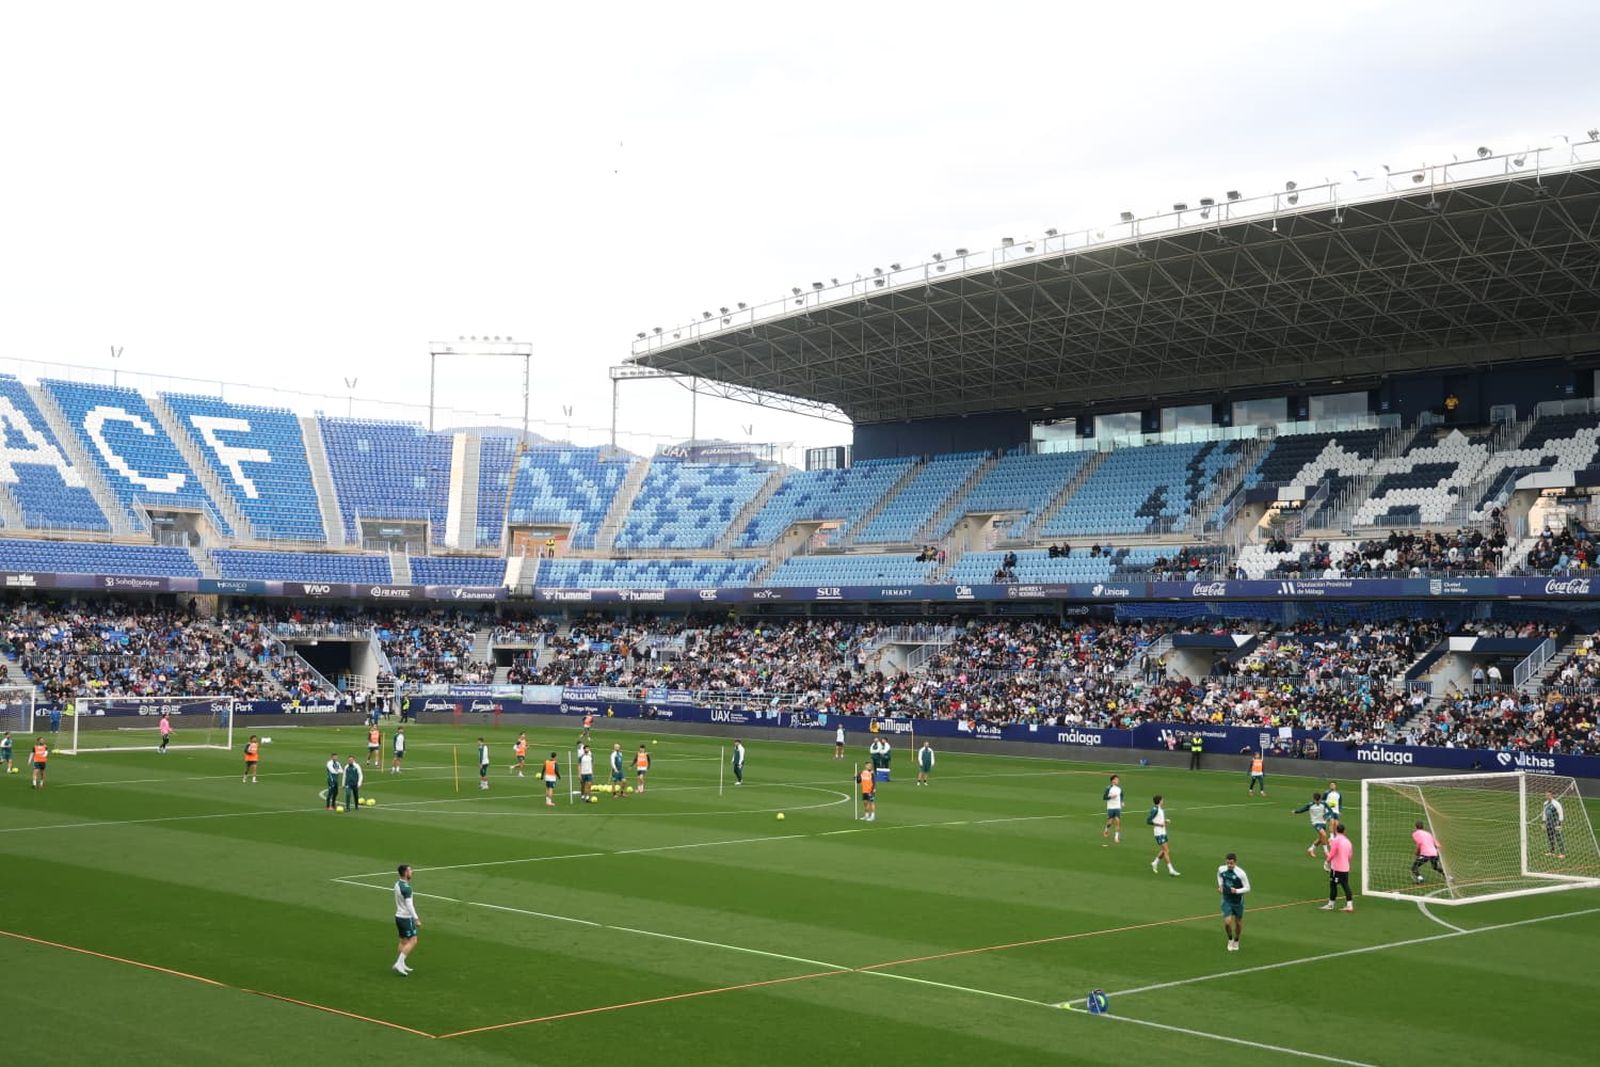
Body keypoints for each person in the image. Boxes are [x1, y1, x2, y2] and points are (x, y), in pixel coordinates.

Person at [1217, 852, 1250, 952]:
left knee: (1238, 923)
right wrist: (1220, 886)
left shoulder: (1241, 874)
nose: (1229, 865)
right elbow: (1219, 875)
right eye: (1228, 863)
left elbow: (1248, 888)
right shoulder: (1221, 869)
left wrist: (1237, 891)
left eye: (1231, 863)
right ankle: (1230, 939)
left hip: (1237, 901)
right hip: (1227, 899)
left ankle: (1237, 940)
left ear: (1235, 862)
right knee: (1227, 922)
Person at [392, 864, 421, 976]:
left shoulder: (397, 884)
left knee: (403, 941)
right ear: (405, 873)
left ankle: (400, 963)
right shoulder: (407, 888)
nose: (412, 872)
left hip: (398, 916)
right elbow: (410, 905)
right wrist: (416, 919)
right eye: (410, 870)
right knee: (413, 940)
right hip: (405, 917)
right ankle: (399, 964)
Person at [1322, 821, 1355, 911]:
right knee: (1345, 885)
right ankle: (1349, 905)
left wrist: (1326, 862)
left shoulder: (1336, 840)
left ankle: (1331, 904)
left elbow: (1332, 853)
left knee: (1333, 885)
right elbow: (1350, 855)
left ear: (1336, 830)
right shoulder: (1348, 841)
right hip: (1345, 868)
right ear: (1344, 831)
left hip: (1336, 868)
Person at [1147, 795, 1179, 876]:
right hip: (1158, 833)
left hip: (1163, 832)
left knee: (1166, 850)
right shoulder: (1155, 810)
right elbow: (1148, 821)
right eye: (1162, 800)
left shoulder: (1160, 809)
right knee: (1166, 851)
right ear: (1160, 801)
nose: (1163, 801)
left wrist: (1165, 821)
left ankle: (1155, 862)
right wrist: (1159, 824)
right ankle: (1171, 869)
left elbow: (1158, 819)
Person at [1293, 791, 1330, 858]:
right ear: (1314, 800)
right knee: (1324, 835)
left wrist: (1327, 815)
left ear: (1320, 799)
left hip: (1323, 822)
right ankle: (1326, 852)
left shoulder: (1324, 803)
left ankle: (1311, 849)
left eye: (1319, 800)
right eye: (1316, 801)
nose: (1318, 802)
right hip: (1316, 823)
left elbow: (1330, 811)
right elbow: (1303, 809)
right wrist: (1296, 811)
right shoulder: (1310, 805)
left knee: (1321, 838)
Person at [1543, 791, 1567, 858]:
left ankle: (1562, 853)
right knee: (1550, 838)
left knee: (1558, 837)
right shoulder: (1545, 803)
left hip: (1556, 823)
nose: (1547, 796)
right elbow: (1544, 813)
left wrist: (1559, 824)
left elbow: (1560, 813)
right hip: (1548, 823)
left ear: (1551, 795)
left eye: (1548, 795)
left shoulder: (1556, 803)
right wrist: (1544, 822)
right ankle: (1552, 852)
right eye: (1546, 795)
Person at [1103, 774, 1123, 845]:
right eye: (1117, 779)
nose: (1118, 781)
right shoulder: (1108, 788)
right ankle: (1106, 829)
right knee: (1110, 822)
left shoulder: (1119, 788)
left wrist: (1122, 802)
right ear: (1113, 780)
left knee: (1117, 821)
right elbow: (1104, 797)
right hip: (1110, 807)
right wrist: (1111, 797)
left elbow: (1121, 795)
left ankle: (1116, 837)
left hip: (1117, 807)